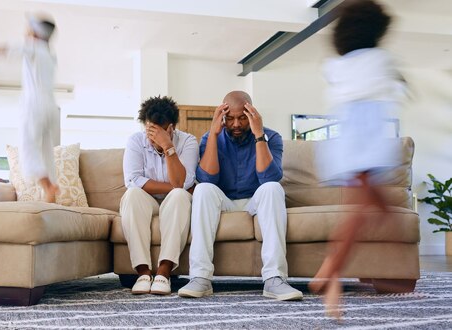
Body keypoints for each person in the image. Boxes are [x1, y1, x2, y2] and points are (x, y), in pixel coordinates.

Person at [310, 0, 407, 320]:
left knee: (375, 205)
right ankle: (331, 266)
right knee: (362, 210)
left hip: (348, 140)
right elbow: (390, 87)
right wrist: (401, 83)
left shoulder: (338, 64)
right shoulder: (379, 59)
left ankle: (336, 283)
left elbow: (338, 88)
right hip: (366, 140)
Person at [178, 91, 303, 301]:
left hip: (256, 200)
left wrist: (258, 134)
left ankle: (274, 278)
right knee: (202, 190)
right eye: (230, 118)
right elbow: (207, 178)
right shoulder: (211, 137)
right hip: (224, 201)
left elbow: (269, 177)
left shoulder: (270, 137)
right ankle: (200, 277)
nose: (236, 124)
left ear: (252, 114)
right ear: (222, 117)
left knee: (273, 188)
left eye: (242, 117)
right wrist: (214, 134)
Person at [0, 14, 59, 203]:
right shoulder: (50, 55)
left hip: (35, 105)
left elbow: (9, 47)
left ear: (35, 32)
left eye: (28, 28)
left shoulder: (34, 46)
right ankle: (51, 192)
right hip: (51, 107)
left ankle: (48, 187)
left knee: (28, 148)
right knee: (45, 151)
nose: (25, 30)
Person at [121, 95, 199, 295]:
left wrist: (168, 147)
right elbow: (133, 180)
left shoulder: (188, 141)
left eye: (158, 131)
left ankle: (164, 272)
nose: (152, 137)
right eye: (149, 130)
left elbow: (184, 182)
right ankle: (143, 273)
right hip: (148, 200)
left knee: (180, 197)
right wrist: (175, 187)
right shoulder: (136, 141)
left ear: (170, 128)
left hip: (175, 201)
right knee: (132, 195)